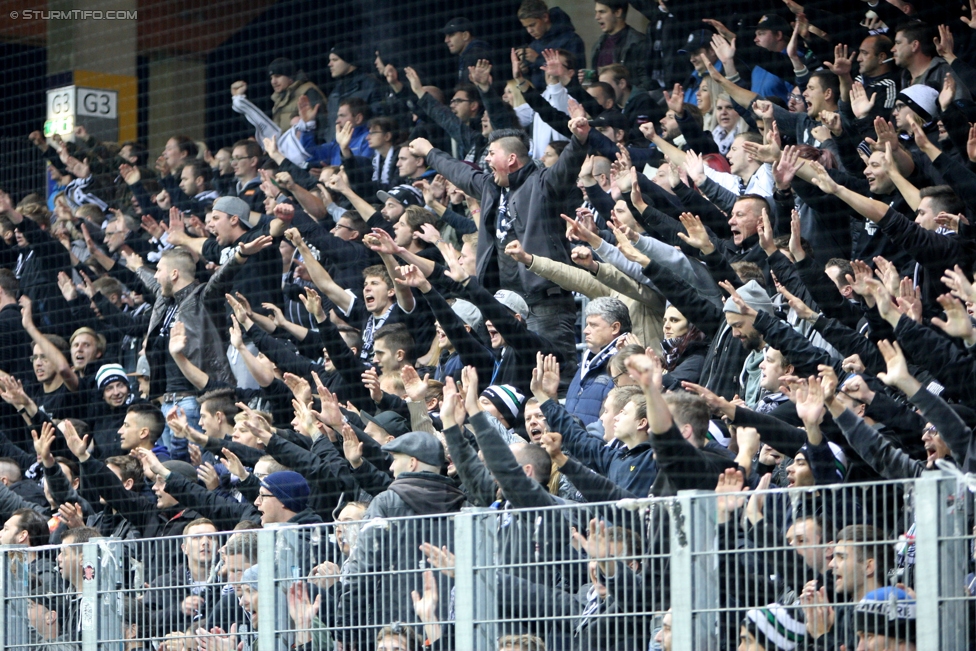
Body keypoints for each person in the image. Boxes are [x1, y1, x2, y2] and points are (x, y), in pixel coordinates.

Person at [409, 118, 591, 375]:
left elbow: (568, 165)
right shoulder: (490, 187)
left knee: (552, 373)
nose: (487, 160)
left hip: (544, 304)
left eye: (492, 154)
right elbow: (459, 172)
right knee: (516, 379)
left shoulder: (543, 183)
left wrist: (579, 139)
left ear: (512, 158)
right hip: (505, 305)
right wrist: (430, 152)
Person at [440, 17, 493, 84]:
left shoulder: (475, 54)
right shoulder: (468, 54)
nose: (446, 40)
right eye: (446, 36)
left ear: (465, 35)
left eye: (451, 35)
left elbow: (468, 91)